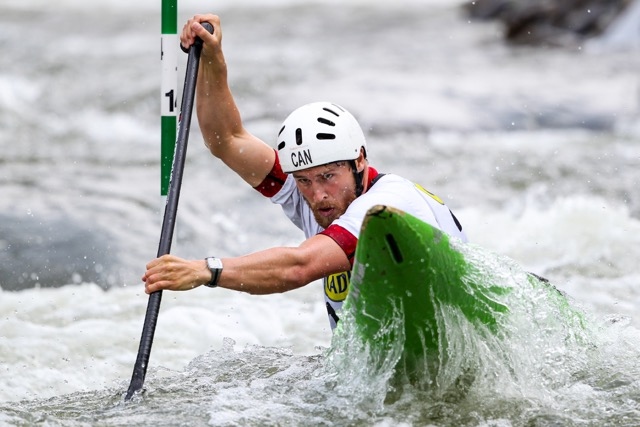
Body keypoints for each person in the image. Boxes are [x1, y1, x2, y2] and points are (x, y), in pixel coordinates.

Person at [142, 14, 468, 330]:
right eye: (304, 181)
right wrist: (212, 57)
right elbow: (225, 140)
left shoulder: (385, 208)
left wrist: (206, 270)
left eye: (328, 176)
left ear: (360, 161)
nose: (317, 195)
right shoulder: (307, 192)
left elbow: (300, 267)